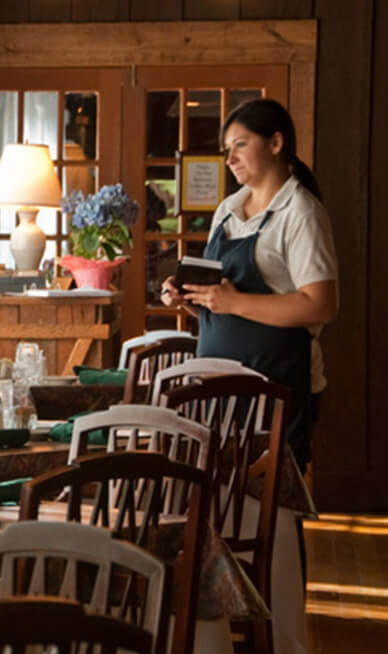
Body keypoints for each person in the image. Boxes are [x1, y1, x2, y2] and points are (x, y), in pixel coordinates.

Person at [160, 98, 338, 469]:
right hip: (216, 387)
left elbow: (321, 304)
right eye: (228, 149)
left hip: (273, 389)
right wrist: (190, 298)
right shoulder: (227, 209)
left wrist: (234, 303)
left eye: (241, 145)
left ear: (276, 143)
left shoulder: (302, 212)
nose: (230, 159)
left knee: (270, 514)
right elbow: (220, 301)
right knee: (214, 513)